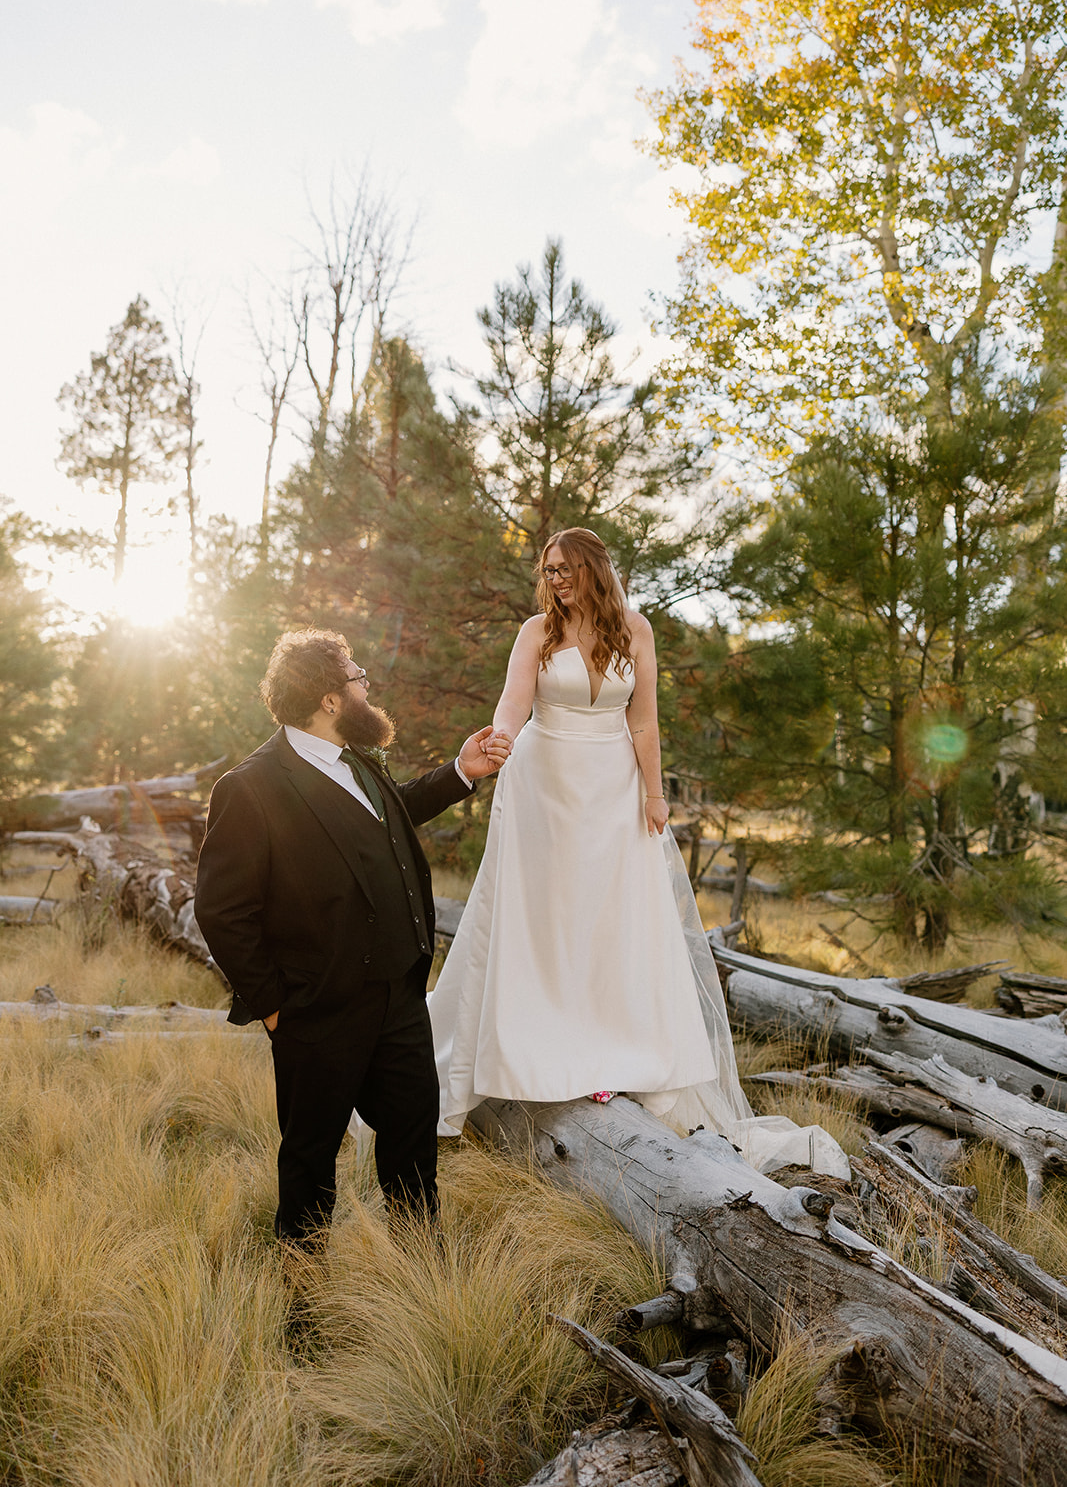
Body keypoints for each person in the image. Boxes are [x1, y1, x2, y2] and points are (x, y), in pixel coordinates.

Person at [429, 529, 847, 1178]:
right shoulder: (535, 631)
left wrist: (654, 794)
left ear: (592, 569)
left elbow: (643, 720)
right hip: (543, 783)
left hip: (613, 787)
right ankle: (532, 1048)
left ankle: (608, 1045)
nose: (555, 579)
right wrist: (499, 741)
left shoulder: (635, 629)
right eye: (548, 570)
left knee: (610, 913)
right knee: (547, 912)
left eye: (565, 569)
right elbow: (513, 701)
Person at [194, 627, 509, 1246]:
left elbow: (389, 819)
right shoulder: (250, 787)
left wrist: (459, 773)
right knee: (312, 1158)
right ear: (330, 698)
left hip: (398, 995)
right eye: (358, 677)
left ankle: (419, 1267)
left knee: (413, 1140)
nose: (368, 686)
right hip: (317, 1010)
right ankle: (304, 1291)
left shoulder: (357, 762)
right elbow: (222, 909)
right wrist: (275, 1006)